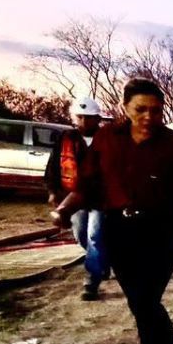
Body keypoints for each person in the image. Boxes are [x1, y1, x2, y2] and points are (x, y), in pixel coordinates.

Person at [50, 78, 173, 344]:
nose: (149, 116)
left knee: (145, 302)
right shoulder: (108, 139)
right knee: (141, 305)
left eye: (156, 110)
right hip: (119, 232)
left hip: (164, 233)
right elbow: (87, 184)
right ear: (125, 107)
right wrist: (65, 209)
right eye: (140, 109)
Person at [45, 96, 106, 301]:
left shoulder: (107, 139)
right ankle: (101, 263)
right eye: (80, 117)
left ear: (97, 118)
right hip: (74, 198)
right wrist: (53, 191)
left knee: (94, 236)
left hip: (100, 198)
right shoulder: (66, 139)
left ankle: (92, 280)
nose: (84, 122)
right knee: (80, 234)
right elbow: (53, 166)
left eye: (88, 118)